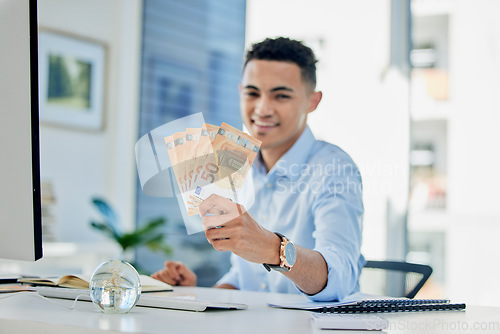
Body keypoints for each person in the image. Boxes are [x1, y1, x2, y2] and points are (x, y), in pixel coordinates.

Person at [152, 37, 365, 302]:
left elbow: (340, 277)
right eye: (252, 93)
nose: (262, 109)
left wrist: (275, 249)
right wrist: (197, 296)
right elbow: (244, 278)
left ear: (312, 101)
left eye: (281, 95)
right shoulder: (238, 164)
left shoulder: (335, 169)